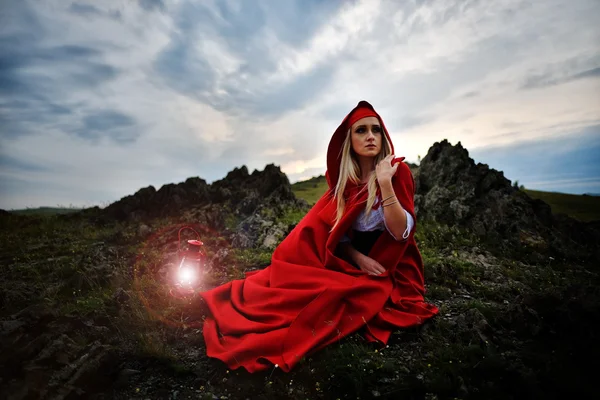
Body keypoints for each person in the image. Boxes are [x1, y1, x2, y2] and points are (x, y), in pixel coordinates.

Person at [199, 100, 439, 373]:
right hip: (353, 260)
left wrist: (385, 183)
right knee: (306, 292)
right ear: (349, 140)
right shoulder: (343, 182)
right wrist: (356, 257)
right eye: (361, 130)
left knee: (350, 298)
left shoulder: (397, 172)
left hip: (392, 262)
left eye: (376, 129)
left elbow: (400, 232)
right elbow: (331, 231)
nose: (371, 136)